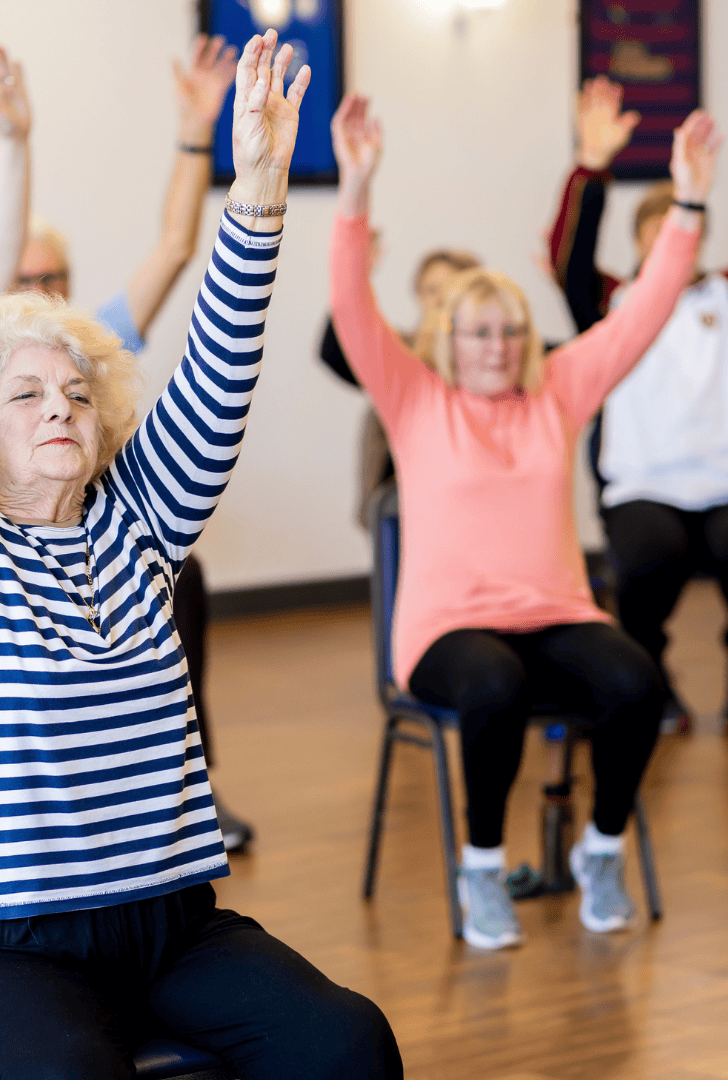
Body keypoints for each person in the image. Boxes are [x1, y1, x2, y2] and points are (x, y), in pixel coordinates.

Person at [0, 12, 402, 1078]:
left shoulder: (139, 524)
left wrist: (259, 191)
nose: (59, 407)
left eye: (76, 393)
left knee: (348, 1043)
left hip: (171, 929)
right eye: (24, 395)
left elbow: (222, 357)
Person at [329, 91, 720, 949]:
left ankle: (602, 848)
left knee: (637, 685)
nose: (498, 346)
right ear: (448, 340)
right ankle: (481, 869)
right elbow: (351, 309)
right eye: (478, 333)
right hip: (446, 630)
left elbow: (646, 309)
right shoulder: (415, 399)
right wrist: (354, 187)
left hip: (553, 614)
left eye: (510, 331)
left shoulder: (559, 392)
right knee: (493, 689)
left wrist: (689, 203)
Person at [0, 34, 255, 851]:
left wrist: (200, 136)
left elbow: (180, 249)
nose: (58, 405)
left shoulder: (92, 347)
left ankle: (181, 785)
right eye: (23, 281)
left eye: (53, 282)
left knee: (181, 582)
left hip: (113, 563)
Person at [550, 74, 728, 732]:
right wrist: (590, 167)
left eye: (680, 229)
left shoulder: (721, 295)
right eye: (654, 234)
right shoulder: (612, 306)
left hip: (721, 485)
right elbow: (567, 263)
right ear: (640, 244)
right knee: (647, 568)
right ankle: (656, 686)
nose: (670, 245)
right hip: (644, 488)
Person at [319, 242, 479, 531]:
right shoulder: (396, 351)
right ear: (418, 294)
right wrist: (356, 275)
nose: (439, 300)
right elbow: (333, 351)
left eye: (451, 289)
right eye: (431, 290)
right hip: (396, 506)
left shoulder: (491, 359)